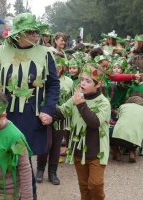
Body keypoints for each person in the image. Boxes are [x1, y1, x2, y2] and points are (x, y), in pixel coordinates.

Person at [0, 13, 60, 200]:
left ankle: (28, 195)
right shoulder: (1, 51)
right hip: (4, 115)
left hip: (31, 117)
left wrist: (48, 109)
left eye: (36, 31)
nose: (36, 35)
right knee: (1, 156)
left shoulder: (46, 53)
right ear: (19, 34)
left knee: (24, 162)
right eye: (31, 32)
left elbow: (53, 84)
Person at [54, 64, 111, 200]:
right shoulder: (76, 98)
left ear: (99, 84)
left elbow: (94, 123)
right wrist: (43, 110)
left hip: (96, 152)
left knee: (95, 184)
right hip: (78, 151)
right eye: (82, 79)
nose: (83, 83)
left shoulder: (103, 103)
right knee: (84, 186)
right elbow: (62, 112)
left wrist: (81, 104)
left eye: (88, 81)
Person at [36, 56, 73, 185]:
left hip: (60, 119)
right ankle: (40, 170)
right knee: (46, 143)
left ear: (64, 67)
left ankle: (53, 172)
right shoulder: (42, 80)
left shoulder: (68, 81)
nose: (57, 68)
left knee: (56, 146)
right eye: (54, 65)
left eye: (59, 66)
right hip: (45, 118)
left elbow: (71, 101)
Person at [111, 94, 143, 163]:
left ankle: (117, 153)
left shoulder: (123, 106)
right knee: (137, 132)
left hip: (116, 138)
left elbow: (117, 119)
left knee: (110, 131)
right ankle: (132, 152)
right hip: (134, 141)